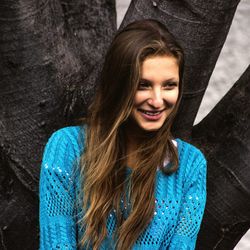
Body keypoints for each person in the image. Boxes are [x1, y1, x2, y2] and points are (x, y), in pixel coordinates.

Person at [39, 19, 207, 250]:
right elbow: (56, 244)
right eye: (143, 85)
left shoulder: (190, 165)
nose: (157, 100)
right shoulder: (67, 148)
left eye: (169, 85)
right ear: (119, 85)